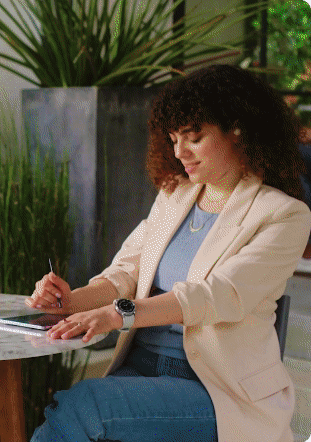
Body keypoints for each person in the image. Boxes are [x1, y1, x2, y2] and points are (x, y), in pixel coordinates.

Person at [26, 64, 311, 442]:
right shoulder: (175, 195)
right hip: (141, 367)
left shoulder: (283, 214)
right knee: (71, 412)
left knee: (84, 407)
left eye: (193, 138)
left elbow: (217, 296)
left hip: (215, 389)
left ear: (238, 130)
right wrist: (69, 302)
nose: (180, 153)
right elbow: (125, 273)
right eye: (174, 139)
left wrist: (117, 316)